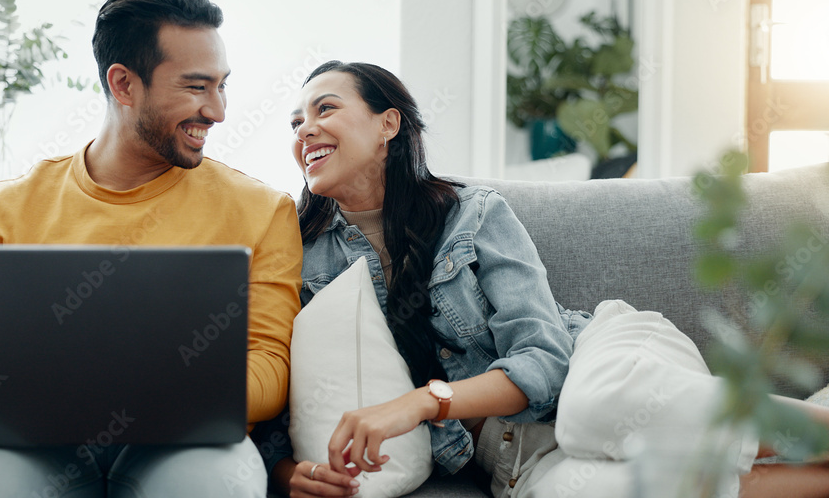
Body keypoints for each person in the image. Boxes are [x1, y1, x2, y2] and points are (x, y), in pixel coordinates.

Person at [256, 60, 829, 498]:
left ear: (387, 124)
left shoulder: (472, 213)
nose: (305, 130)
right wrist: (290, 478)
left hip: (599, 362)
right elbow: (276, 412)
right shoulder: (296, 253)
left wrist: (423, 403)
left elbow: (544, 358)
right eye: (295, 122)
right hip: (511, 452)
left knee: (590, 412)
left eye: (324, 109)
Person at [0, 0, 302, 498]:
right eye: (195, 87)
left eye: (221, 85)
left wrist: (157, 395)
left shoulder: (261, 210)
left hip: (190, 443)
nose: (217, 111)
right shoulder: (1, 213)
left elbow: (270, 366)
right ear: (123, 84)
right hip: (32, 445)